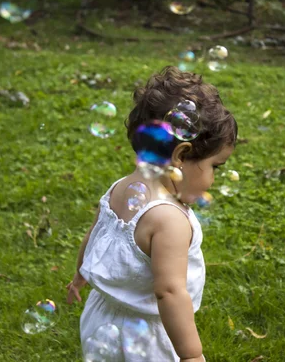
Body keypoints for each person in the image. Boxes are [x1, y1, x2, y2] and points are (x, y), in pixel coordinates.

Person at [66, 66, 238, 361]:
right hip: (146, 337)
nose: (214, 178)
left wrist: (81, 275)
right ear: (181, 157)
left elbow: (95, 234)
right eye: (215, 167)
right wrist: (191, 355)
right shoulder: (169, 219)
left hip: (101, 319)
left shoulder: (120, 187)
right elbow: (169, 293)